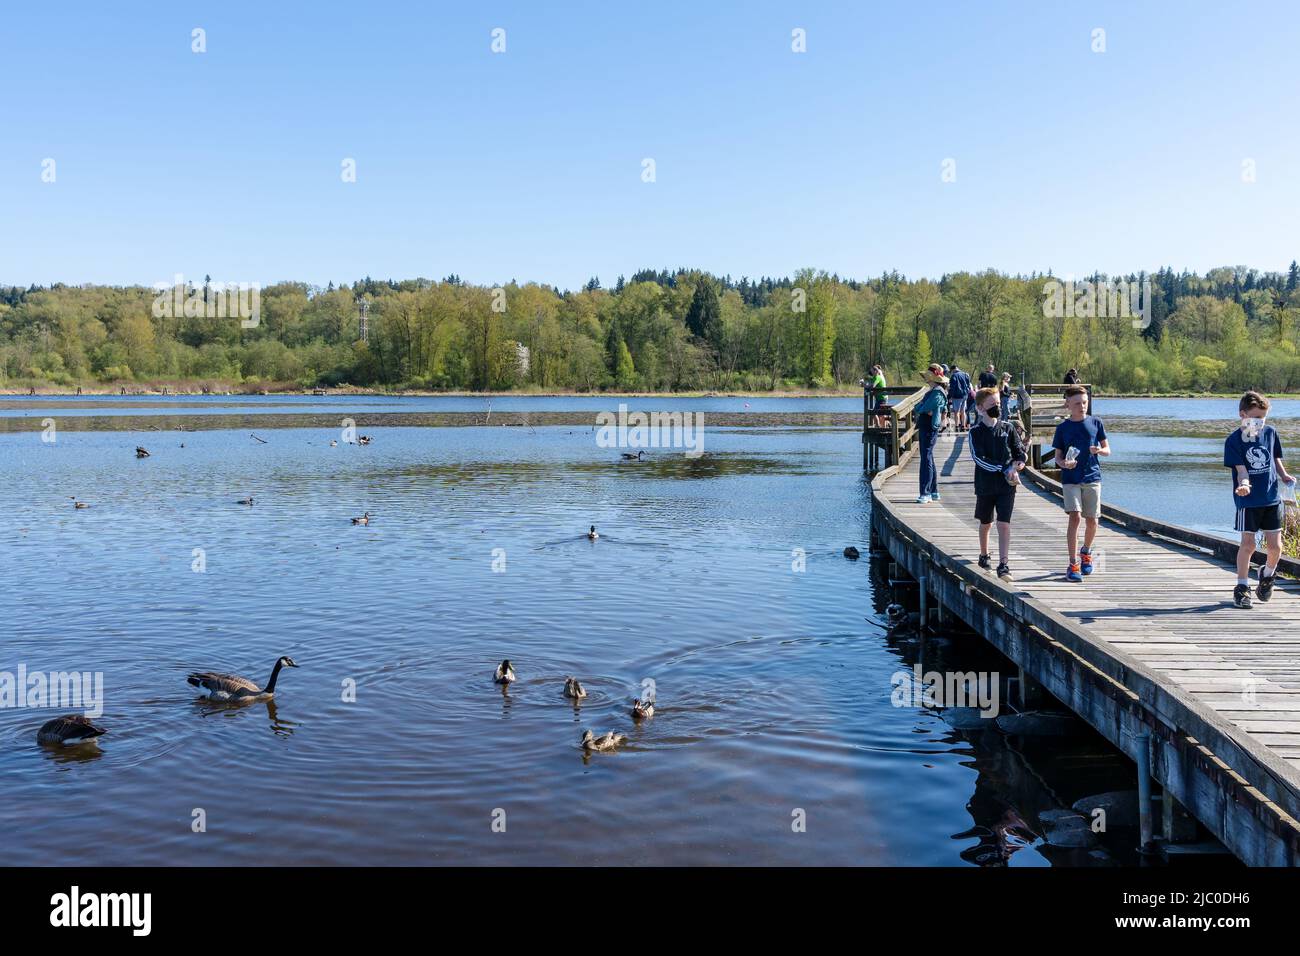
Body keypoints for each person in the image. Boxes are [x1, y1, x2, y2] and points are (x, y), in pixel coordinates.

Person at [1225, 391, 1295, 608]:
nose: (1258, 423)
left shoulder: (1270, 433)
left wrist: (1283, 475)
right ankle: (1242, 587)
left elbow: (1275, 457)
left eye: (1262, 419)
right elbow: (1241, 470)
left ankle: (1267, 575)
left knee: (1275, 547)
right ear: (1242, 414)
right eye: (1254, 418)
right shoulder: (1234, 441)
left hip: (1271, 498)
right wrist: (1244, 484)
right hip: (1248, 501)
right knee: (1248, 544)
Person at [1052, 385, 1110, 582]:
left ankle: (1086, 551)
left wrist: (1099, 451)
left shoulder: (1096, 422)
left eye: (1085, 402)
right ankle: (1072, 563)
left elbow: (1107, 449)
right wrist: (1064, 464)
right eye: (1077, 403)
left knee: (1092, 520)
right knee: (1075, 517)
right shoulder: (1062, 428)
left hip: (1092, 476)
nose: (1082, 406)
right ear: (1068, 404)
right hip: (1070, 479)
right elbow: (1057, 458)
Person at [968, 387, 1027, 579]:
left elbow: (1019, 452)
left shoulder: (1008, 428)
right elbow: (979, 458)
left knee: (1004, 523)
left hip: (1006, 486)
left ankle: (1003, 564)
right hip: (985, 485)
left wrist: (1019, 463)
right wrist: (1003, 467)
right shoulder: (975, 432)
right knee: (986, 522)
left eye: (998, 404)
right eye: (992, 405)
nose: (997, 408)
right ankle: (984, 554)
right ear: (980, 408)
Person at [915, 368, 948, 503]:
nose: (925, 378)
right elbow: (922, 407)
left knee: (926, 459)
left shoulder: (937, 393)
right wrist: (922, 407)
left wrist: (921, 407)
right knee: (928, 458)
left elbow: (921, 408)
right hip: (926, 426)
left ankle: (926, 492)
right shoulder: (934, 392)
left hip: (929, 427)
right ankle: (933, 491)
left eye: (927, 376)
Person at [947, 362, 972, 434]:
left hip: (957, 396)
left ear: (953, 370)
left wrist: (949, 396)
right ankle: (963, 426)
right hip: (965, 395)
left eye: (951, 371)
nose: (951, 373)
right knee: (963, 411)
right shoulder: (965, 374)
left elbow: (952, 387)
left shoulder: (954, 376)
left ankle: (957, 426)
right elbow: (968, 386)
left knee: (956, 412)